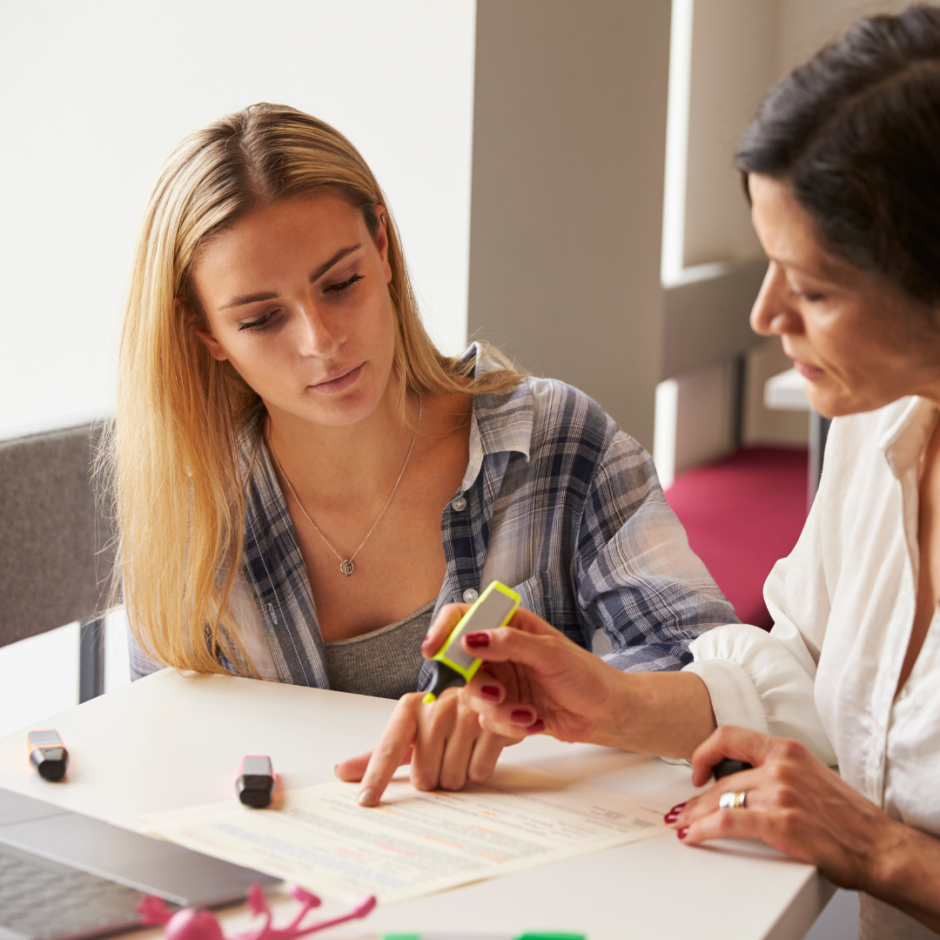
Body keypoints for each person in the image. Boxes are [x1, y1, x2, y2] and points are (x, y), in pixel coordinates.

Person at [363, 7, 940, 938]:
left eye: (816, 288)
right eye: (769, 264)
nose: (764, 315)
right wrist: (611, 700)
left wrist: (884, 854)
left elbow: (869, 807)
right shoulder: (880, 433)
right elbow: (815, 682)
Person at [110, 104, 736, 795]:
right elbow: (167, 765)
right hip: (299, 895)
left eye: (341, 283)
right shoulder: (196, 516)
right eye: (261, 319)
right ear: (207, 336)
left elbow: (719, 680)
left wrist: (570, 708)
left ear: (382, 248)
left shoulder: (554, 442)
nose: (320, 340)